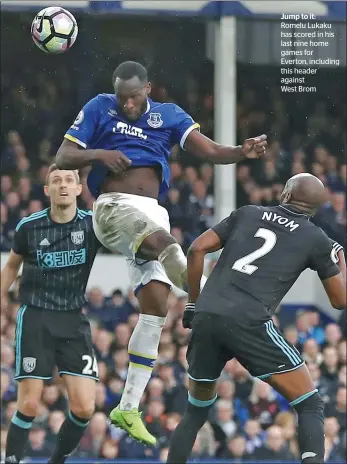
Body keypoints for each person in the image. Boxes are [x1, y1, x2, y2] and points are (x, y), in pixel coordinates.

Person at [55, 60, 267, 444]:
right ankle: (215, 299)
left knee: (155, 308)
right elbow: (63, 157)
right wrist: (100, 155)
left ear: (148, 89)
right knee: (170, 248)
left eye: (134, 98)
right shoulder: (100, 106)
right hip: (114, 206)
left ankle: (129, 406)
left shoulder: (168, 116)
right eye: (122, 98)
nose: (127, 105)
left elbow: (211, 150)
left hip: (153, 213)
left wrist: (242, 151)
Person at [167, 173, 346, 464]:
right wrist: (341, 264)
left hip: (207, 315)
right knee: (309, 403)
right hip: (248, 321)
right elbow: (340, 301)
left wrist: (192, 304)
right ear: (315, 208)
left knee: (196, 410)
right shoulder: (316, 238)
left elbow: (196, 248)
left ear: (286, 194)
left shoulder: (248, 213)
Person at [1, 165, 101, 464]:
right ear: (47, 190)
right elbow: (10, 267)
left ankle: (57, 460)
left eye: (69, 180)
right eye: (56, 181)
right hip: (36, 317)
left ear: (78, 189)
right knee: (30, 404)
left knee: (84, 408)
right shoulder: (29, 227)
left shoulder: (94, 225)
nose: (63, 185)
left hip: (73, 319)